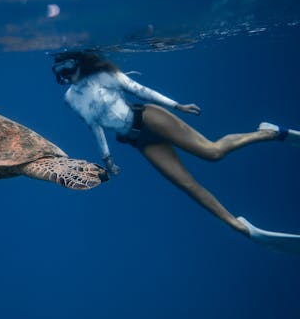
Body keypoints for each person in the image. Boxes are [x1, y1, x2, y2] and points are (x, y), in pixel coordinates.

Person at [52, 48, 300, 252]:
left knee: (212, 153)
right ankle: (239, 226)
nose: (65, 75)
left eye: (67, 67)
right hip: (138, 140)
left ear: (78, 62)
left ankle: (268, 132)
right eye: (60, 71)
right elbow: (94, 125)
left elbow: (140, 90)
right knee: (186, 185)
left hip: (149, 118)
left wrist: (177, 106)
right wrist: (107, 158)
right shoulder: (71, 99)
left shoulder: (103, 75)